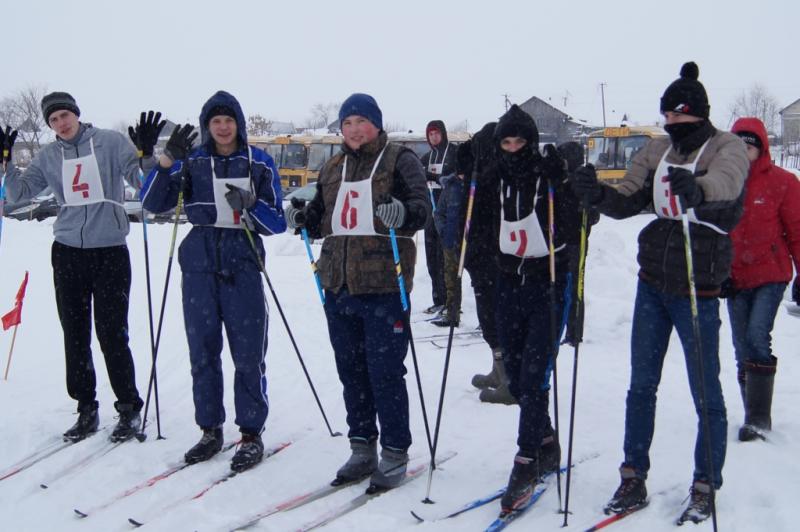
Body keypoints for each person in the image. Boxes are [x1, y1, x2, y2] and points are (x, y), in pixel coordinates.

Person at [572, 62, 749, 524]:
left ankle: (706, 483)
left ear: (701, 116)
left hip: (699, 284)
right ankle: (633, 476)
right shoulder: (656, 149)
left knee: (705, 390)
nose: (674, 125)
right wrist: (596, 195)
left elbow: (727, 185)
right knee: (641, 386)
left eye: (682, 118)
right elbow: (630, 196)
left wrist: (699, 188)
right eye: (668, 117)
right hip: (653, 282)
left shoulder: (725, 146)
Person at [284, 93, 429, 490]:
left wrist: (404, 212)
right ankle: (362, 445)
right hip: (339, 285)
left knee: (385, 373)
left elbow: (423, 207)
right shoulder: (332, 167)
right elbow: (320, 220)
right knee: (352, 372)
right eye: (347, 123)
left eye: (361, 122)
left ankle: (396, 450)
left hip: (383, 285)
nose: (353, 130)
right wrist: (302, 218)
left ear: (377, 125)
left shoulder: (401, 159)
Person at [141, 91, 286, 472]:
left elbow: (278, 223)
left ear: (238, 123)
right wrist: (165, 160)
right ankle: (210, 429)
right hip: (200, 262)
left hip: (243, 261)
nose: (223, 127)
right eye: (215, 121)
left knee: (248, 354)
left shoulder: (260, 162)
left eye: (229, 120)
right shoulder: (193, 161)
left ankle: (251, 433)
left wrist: (251, 204)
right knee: (202, 353)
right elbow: (151, 202)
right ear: (207, 125)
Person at [1, 93, 159, 443]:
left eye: (64, 114)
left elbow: (143, 184)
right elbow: (18, 195)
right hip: (69, 251)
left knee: (112, 333)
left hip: (110, 251)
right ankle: (86, 408)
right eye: (54, 119)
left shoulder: (109, 142)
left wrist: (145, 156)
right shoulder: (48, 155)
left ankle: (129, 407)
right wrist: (6, 161)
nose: (61, 122)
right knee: (74, 334)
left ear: (76, 113)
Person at [470, 105, 574, 512]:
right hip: (508, 283)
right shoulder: (494, 178)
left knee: (534, 376)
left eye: (520, 142)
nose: (513, 149)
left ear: (531, 142)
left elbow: (582, 218)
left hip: (547, 283)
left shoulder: (547, 178)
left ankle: (526, 459)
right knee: (515, 375)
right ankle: (546, 441)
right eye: (506, 142)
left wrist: (568, 179)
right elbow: (476, 227)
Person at [726, 117, 800, 442]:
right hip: (734, 278)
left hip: (772, 273)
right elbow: (713, 233)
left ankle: (758, 420)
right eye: (738, 144)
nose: (745, 150)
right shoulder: (724, 183)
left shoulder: (784, 182)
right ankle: (750, 412)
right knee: (741, 345)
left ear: (761, 148)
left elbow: (797, 232)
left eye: (750, 144)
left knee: (757, 335)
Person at [454, 122, 516, 404]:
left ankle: (509, 376)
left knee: (496, 315)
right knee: (487, 313)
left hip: (494, 256)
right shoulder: (475, 170)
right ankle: (498, 367)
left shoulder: (498, 175)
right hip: (479, 255)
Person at [557, 141, 600, 346]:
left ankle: (574, 332)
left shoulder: (580, 180)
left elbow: (594, 215)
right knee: (562, 286)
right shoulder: (561, 179)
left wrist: (587, 208)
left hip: (577, 241)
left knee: (575, 287)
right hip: (561, 240)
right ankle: (564, 326)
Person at [419, 120, 456, 316]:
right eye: (430, 134)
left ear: (443, 133)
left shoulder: (453, 153)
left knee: (447, 259)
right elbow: (418, 172)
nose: (434, 137)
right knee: (432, 259)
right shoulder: (427, 157)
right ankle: (438, 299)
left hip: (448, 213)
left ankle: (452, 302)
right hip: (431, 213)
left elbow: (455, 175)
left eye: (436, 133)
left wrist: (435, 178)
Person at [431, 149, 464, 327]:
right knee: (451, 280)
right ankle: (452, 314)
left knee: (483, 283)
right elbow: (439, 213)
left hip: (472, 243)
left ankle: (488, 319)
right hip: (451, 241)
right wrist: (443, 232)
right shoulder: (451, 187)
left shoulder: (476, 186)